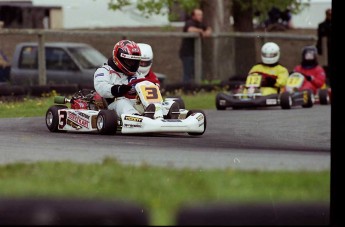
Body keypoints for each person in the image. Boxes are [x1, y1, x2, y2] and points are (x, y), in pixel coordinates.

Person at [93, 39, 156, 118]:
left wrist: (151, 86)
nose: (133, 65)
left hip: (136, 103)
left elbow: (144, 84)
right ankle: (135, 118)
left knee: (154, 102)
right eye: (129, 61)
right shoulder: (104, 71)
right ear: (119, 58)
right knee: (122, 103)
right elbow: (101, 87)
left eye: (135, 62)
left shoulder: (137, 74)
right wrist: (117, 89)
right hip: (113, 106)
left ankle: (162, 115)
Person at [178, 8, 212, 85]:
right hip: (187, 53)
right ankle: (186, 88)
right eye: (199, 15)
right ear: (193, 16)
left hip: (196, 53)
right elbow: (190, 29)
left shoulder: (200, 24)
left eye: (201, 15)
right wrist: (201, 31)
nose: (201, 16)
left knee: (196, 72)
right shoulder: (189, 22)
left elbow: (209, 29)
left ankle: (195, 87)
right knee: (188, 73)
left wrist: (207, 32)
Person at [316, 8, 331, 85]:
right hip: (326, 48)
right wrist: (319, 47)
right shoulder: (322, 25)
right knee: (326, 64)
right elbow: (320, 37)